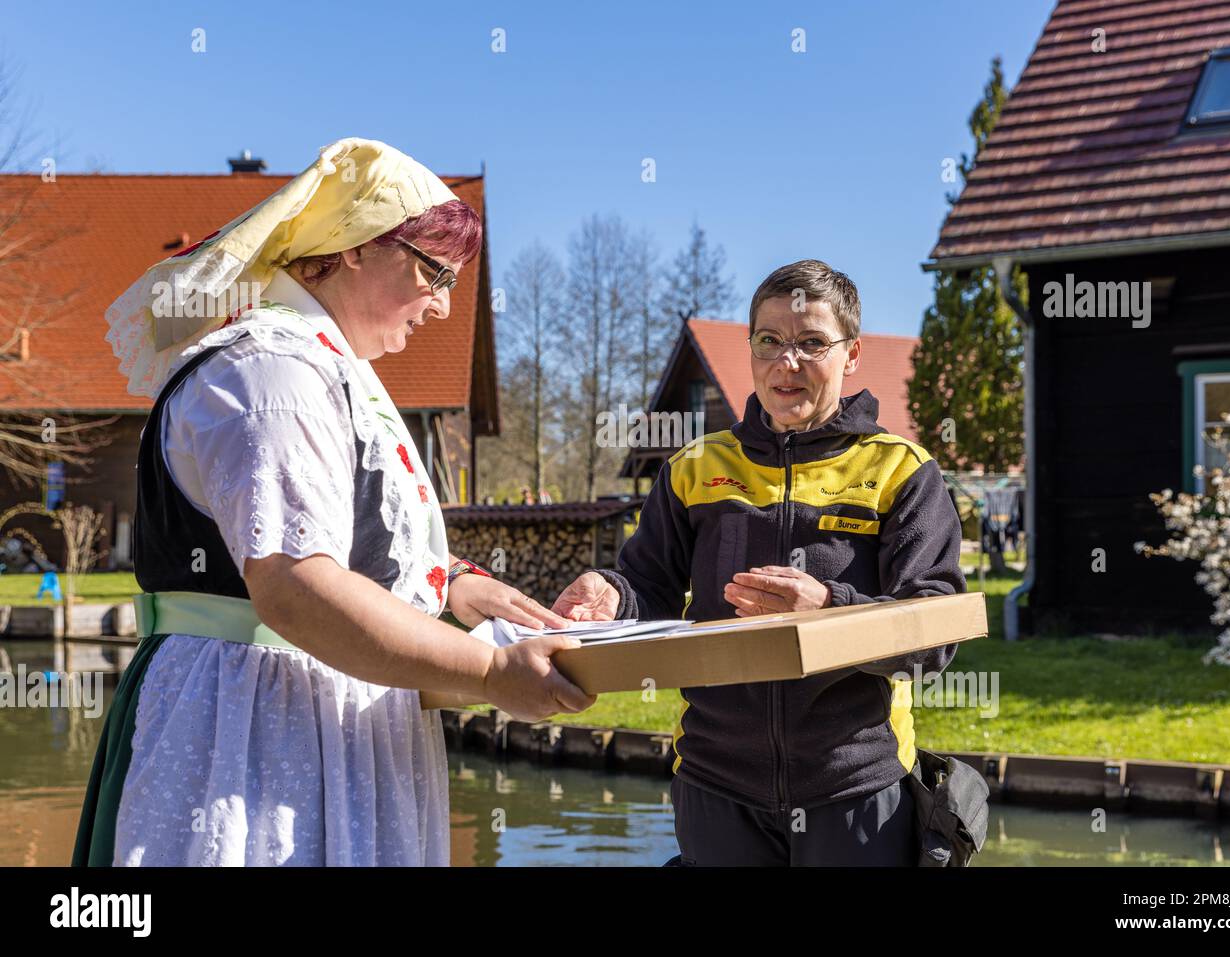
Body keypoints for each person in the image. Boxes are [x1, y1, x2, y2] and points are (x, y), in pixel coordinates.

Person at [74, 138, 594, 867]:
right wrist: (488, 675)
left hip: (324, 711)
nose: (443, 302)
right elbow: (296, 586)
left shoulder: (329, 366)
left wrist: (457, 586)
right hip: (254, 727)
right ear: (352, 248)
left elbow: (349, 541)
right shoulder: (272, 370)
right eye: (430, 270)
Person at [553, 259, 965, 866]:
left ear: (851, 355)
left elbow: (936, 631)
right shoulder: (692, 468)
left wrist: (829, 608)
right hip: (715, 786)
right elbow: (649, 588)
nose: (786, 362)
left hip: (855, 787)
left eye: (811, 344)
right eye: (769, 341)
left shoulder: (903, 471)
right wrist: (612, 594)